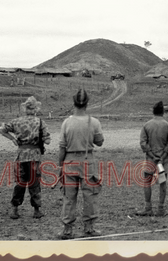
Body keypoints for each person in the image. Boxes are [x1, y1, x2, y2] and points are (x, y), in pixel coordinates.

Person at [58, 89, 104, 239]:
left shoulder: (66, 122)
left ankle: (67, 230)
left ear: (74, 102)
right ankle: (89, 228)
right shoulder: (94, 122)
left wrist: (60, 166)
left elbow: (62, 147)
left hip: (69, 162)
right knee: (90, 195)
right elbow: (99, 142)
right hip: (87, 163)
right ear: (87, 103)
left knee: (69, 197)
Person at [0, 96, 51, 219]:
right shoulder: (41, 122)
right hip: (34, 157)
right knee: (34, 183)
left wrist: (13, 139)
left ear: (25, 108)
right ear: (36, 108)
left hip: (21, 156)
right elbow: (47, 141)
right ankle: (37, 210)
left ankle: (15, 209)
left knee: (20, 183)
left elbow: (1, 129)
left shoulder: (16, 121)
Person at [136, 101, 168, 217]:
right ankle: (161, 209)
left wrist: (153, 156)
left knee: (147, 182)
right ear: (163, 112)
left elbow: (143, 143)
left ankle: (148, 208)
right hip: (163, 160)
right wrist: (161, 157)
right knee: (163, 182)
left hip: (150, 159)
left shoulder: (147, 125)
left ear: (153, 112)